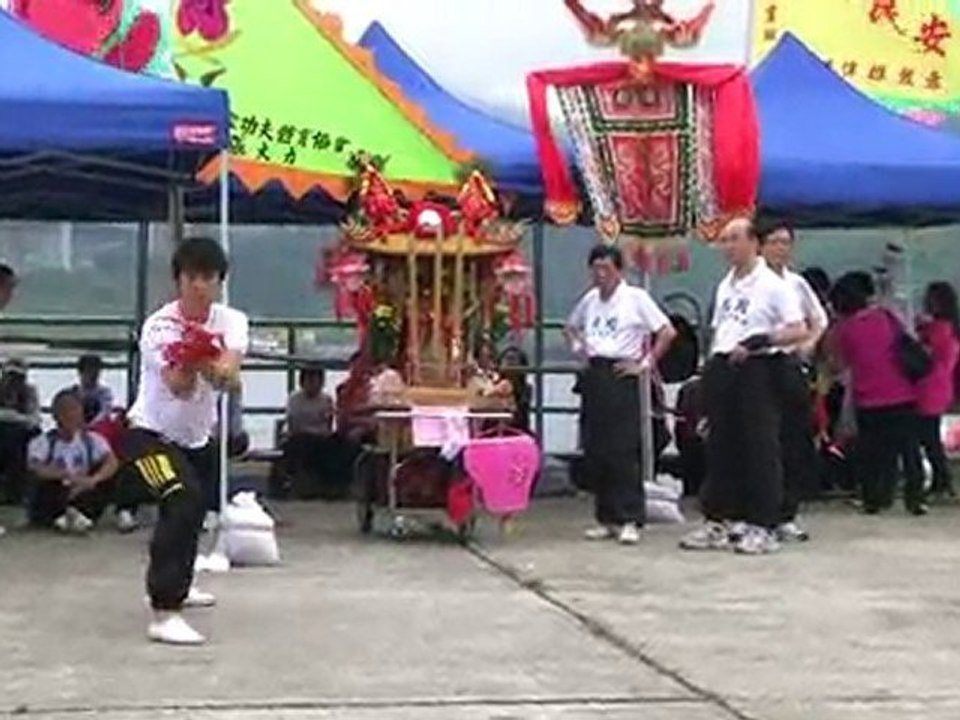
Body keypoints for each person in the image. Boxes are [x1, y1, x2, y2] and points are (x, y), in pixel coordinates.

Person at [119, 236, 248, 645]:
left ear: (219, 282)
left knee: (195, 513)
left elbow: (230, 376)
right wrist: (194, 357)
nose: (199, 286)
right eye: (192, 277)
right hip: (148, 435)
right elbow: (176, 384)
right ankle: (164, 609)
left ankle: (183, 582)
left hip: (197, 438)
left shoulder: (232, 321)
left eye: (208, 277)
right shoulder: (159, 327)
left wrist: (203, 356)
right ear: (179, 280)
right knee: (180, 500)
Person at [680, 217, 805, 555]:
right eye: (723, 240)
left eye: (734, 239)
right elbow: (720, 331)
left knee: (760, 446)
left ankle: (764, 522)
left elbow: (798, 329)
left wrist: (761, 340)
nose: (728, 247)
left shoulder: (773, 285)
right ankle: (719, 519)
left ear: (753, 242)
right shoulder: (726, 284)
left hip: (758, 367)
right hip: (725, 367)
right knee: (721, 446)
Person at [564, 244, 676, 546]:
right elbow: (570, 327)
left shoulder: (635, 298)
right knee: (596, 446)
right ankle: (607, 516)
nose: (601, 275)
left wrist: (645, 363)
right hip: (596, 371)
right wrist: (579, 348)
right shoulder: (590, 300)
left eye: (607, 269)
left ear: (619, 270)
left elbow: (666, 331)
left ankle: (630, 516)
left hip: (622, 372)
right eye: (596, 269)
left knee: (623, 448)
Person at [829, 272, 925, 515]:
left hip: (868, 399)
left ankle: (874, 498)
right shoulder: (886, 317)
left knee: (872, 452)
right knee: (909, 449)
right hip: (903, 394)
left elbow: (841, 365)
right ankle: (915, 498)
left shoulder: (844, 330)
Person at [760, 222, 829, 542]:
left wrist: (808, 344)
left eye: (786, 243)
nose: (781, 249)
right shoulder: (749, 282)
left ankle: (786, 512)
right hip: (757, 365)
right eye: (774, 242)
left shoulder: (796, 284)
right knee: (760, 441)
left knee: (792, 439)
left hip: (787, 364)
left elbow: (819, 319)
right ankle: (759, 511)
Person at [25, 389, 118, 532]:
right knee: (47, 487)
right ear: (56, 415)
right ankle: (64, 516)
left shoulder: (92, 440)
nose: (71, 415)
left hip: (82, 490)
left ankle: (75, 514)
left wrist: (93, 479)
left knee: (107, 481)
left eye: (75, 410)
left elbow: (111, 462)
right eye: (65, 411)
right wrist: (66, 476)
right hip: (59, 489)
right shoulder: (43, 442)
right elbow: (35, 468)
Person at [916, 282, 960, 499]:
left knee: (928, 436)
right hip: (941, 385)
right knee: (929, 435)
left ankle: (941, 480)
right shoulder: (950, 327)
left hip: (929, 386)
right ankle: (941, 479)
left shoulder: (938, 328)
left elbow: (925, 353)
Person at [0, 357, 40, 506]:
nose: (13, 381)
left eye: (18, 377)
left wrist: (12, 417)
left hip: (20, 436)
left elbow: (34, 419)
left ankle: (16, 491)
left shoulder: (29, 392)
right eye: (10, 376)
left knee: (19, 438)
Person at [69, 354, 114, 424]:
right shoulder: (73, 393)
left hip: (98, 428)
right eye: (89, 371)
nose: (93, 375)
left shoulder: (104, 393)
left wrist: (91, 425)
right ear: (81, 372)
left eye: (96, 372)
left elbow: (105, 412)